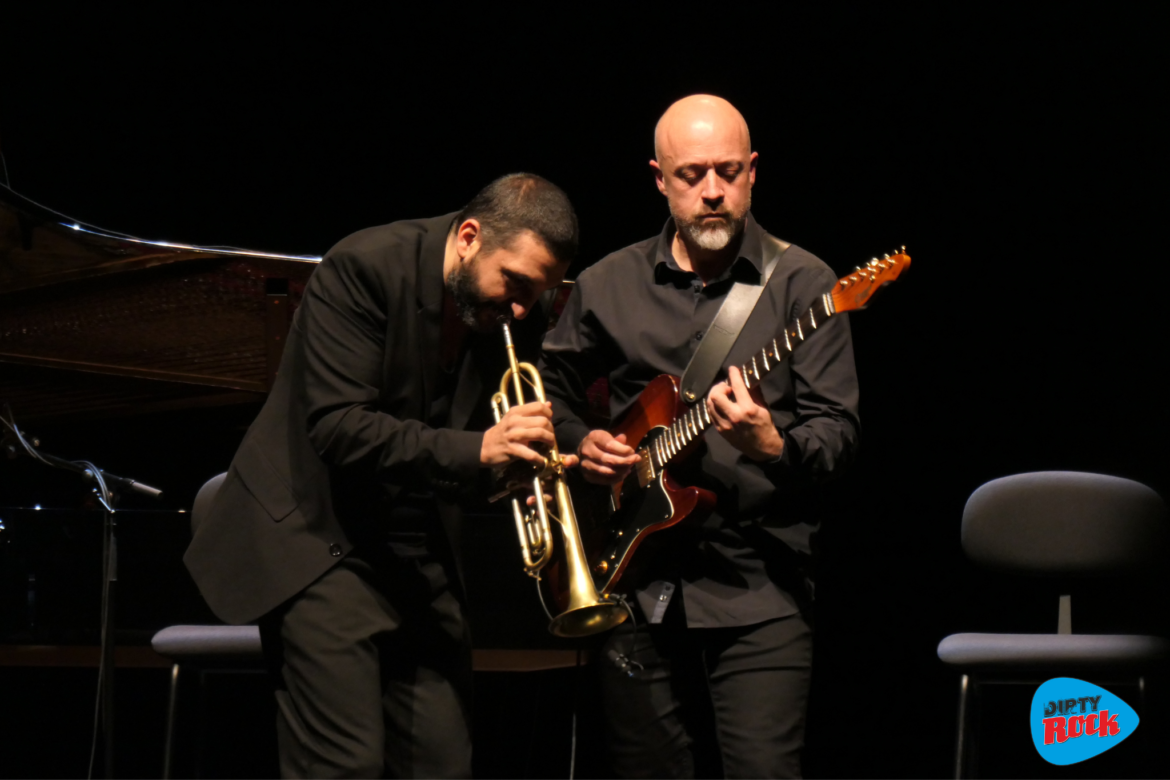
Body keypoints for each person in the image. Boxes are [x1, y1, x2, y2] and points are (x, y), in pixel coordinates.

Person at [184, 173, 579, 778]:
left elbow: (485, 435)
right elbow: (340, 428)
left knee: (442, 763)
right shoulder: (364, 266)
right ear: (469, 237)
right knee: (344, 765)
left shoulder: (517, 309)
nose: (523, 309)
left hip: (417, 544)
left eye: (539, 293)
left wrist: (535, 461)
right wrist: (480, 453)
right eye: (517, 284)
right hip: (320, 538)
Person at [539, 96, 861, 778]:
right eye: (691, 175)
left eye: (727, 171)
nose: (711, 191)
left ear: (752, 171)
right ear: (659, 178)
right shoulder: (604, 284)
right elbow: (551, 392)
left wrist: (771, 444)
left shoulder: (807, 284)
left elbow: (838, 434)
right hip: (632, 583)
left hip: (760, 590)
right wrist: (582, 440)